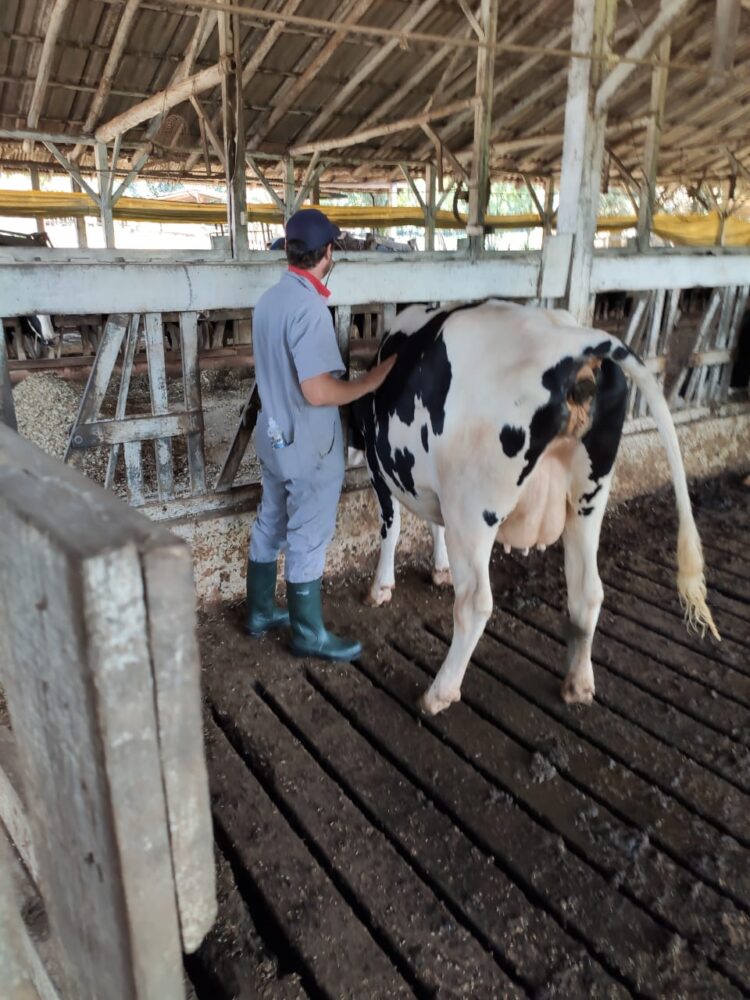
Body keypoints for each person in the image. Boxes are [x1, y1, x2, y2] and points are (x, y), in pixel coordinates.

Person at [246, 208, 396, 661]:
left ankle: (259, 612)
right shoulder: (310, 309)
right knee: (308, 535)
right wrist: (369, 383)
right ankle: (308, 634)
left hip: (274, 436)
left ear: (288, 251)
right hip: (309, 445)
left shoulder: (269, 300)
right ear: (328, 252)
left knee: (271, 520)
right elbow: (317, 391)